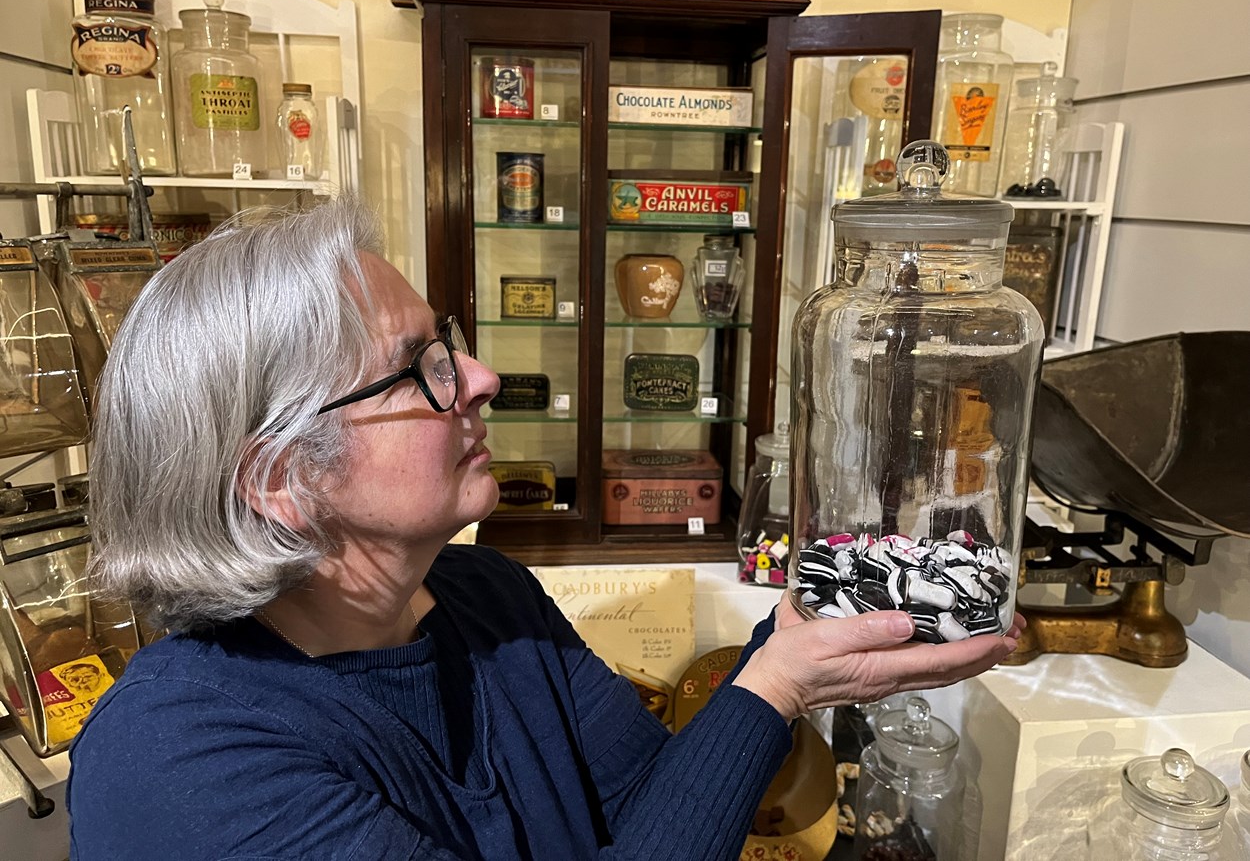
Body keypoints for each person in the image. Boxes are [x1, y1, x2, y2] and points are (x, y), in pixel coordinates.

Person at [67, 200, 1020, 859]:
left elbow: (658, 818)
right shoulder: (182, 759)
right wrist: (774, 688)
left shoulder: (488, 599)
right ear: (279, 478)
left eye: (452, 342)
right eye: (423, 368)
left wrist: (802, 640)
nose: (478, 378)